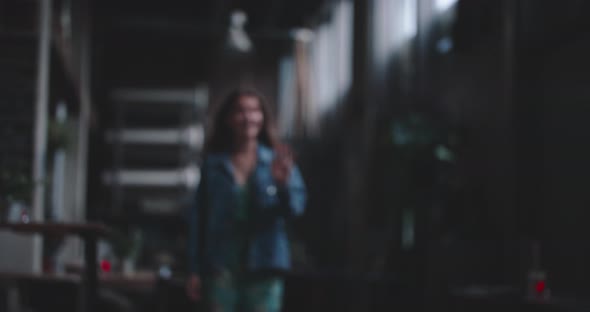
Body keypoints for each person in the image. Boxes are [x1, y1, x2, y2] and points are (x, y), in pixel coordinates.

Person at [186, 88, 307, 311]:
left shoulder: (277, 161)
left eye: (254, 110)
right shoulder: (213, 165)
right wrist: (193, 270)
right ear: (229, 119)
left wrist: (282, 185)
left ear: (262, 117)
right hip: (220, 267)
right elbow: (198, 219)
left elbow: (296, 208)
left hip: (264, 267)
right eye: (240, 111)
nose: (248, 117)